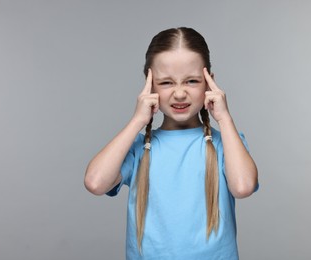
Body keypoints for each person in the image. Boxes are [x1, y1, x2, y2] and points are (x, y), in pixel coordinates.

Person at [84, 27, 258, 260]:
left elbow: (243, 186)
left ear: (209, 83)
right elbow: (95, 183)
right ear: (150, 85)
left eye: (192, 81)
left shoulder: (226, 142)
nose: (179, 93)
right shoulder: (139, 148)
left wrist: (225, 118)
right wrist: (138, 120)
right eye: (166, 82)